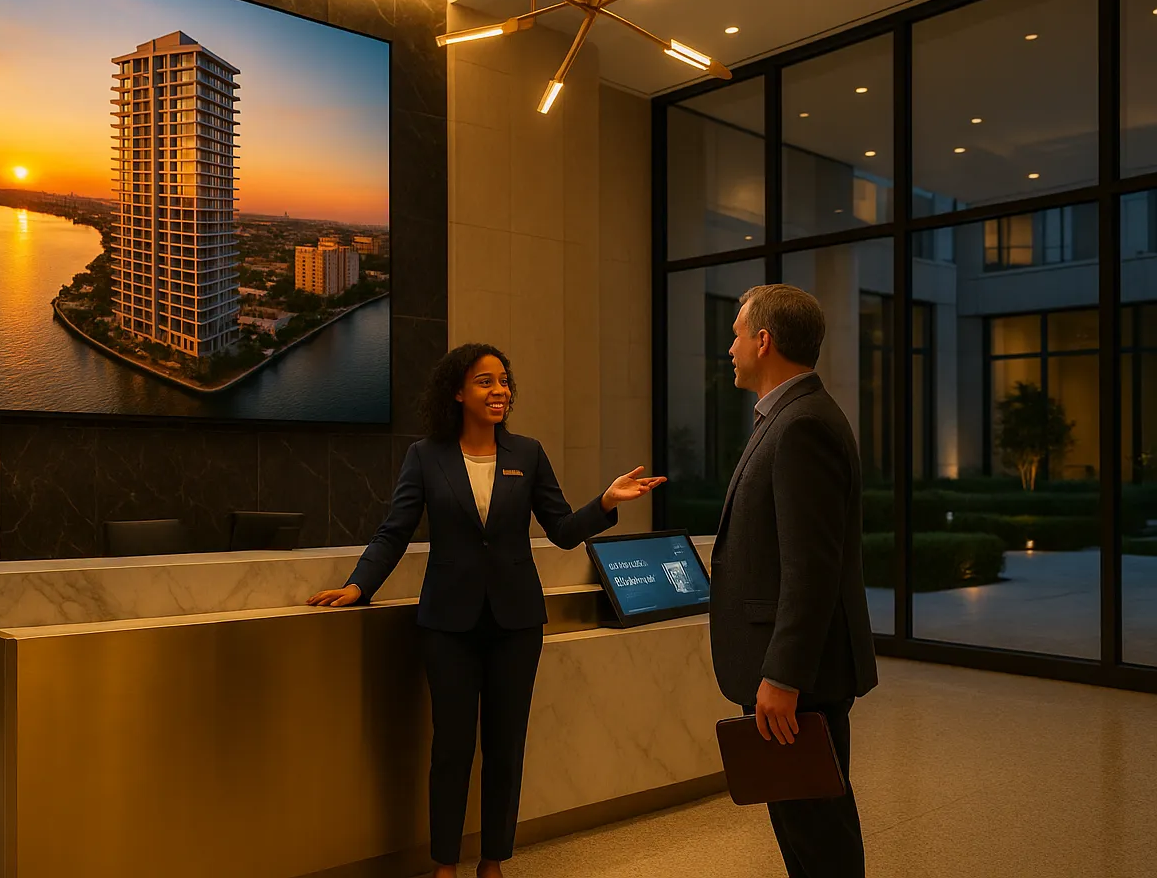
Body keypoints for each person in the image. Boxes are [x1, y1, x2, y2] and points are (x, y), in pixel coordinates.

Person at [308, 343, 664, 878]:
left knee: (505, 747)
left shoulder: (528, 454)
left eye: (504, 382)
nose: (500, 391)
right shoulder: (425, 456)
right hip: (447, 625)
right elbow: (395, 531)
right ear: (456, 391)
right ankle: (445, 864)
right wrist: (359, 585)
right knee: (451, 747)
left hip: (516, 623)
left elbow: (563, 531)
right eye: (485, 382)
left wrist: (607, 502)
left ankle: (493, 860)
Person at [710, 284, 879, 878]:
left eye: (735, 334)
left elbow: (812, 569)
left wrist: (781, 675)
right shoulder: (787, 416)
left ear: (764, 340)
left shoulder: (801, 425)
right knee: (809, 831)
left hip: (799, 681)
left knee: (819, 838)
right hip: (797, 675)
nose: (728, 347)